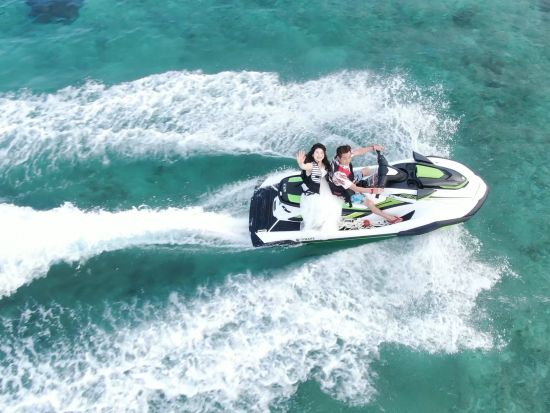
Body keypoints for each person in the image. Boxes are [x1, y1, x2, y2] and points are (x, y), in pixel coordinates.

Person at [329, 144, 403, 224]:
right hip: (345, 191)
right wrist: (373, 190)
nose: (348, 160)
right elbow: (355, 188)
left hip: (349, 179)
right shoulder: (338, 174)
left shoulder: (344, 154)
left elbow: (358, 151)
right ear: (338, 158)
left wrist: (373, 148)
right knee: (369, 203)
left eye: (349, 157)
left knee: (366, 170)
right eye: (344, 158)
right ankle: (390, 218)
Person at [295, 143, 341, 231]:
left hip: (325, 188)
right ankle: (319, 229)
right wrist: (301, 163)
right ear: (313, 154)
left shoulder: (325, 164)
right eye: (317, 152)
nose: (319, 155)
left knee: (333, 208)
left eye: (321, 153)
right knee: (320, 213)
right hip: (314, 193)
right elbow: (304, 166)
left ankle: (327, 225)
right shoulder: (311, 165)